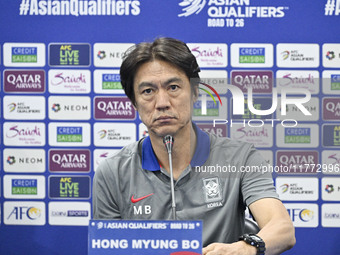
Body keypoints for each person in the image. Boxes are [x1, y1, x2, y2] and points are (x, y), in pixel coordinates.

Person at [92, 37, 296, 255]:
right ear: (134, 102)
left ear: (195, 92)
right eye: (148, 91)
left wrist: (244, 248)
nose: (162, 103)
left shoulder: (241, 158)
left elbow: (282, 229)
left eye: (173, 87)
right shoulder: (112, 173)